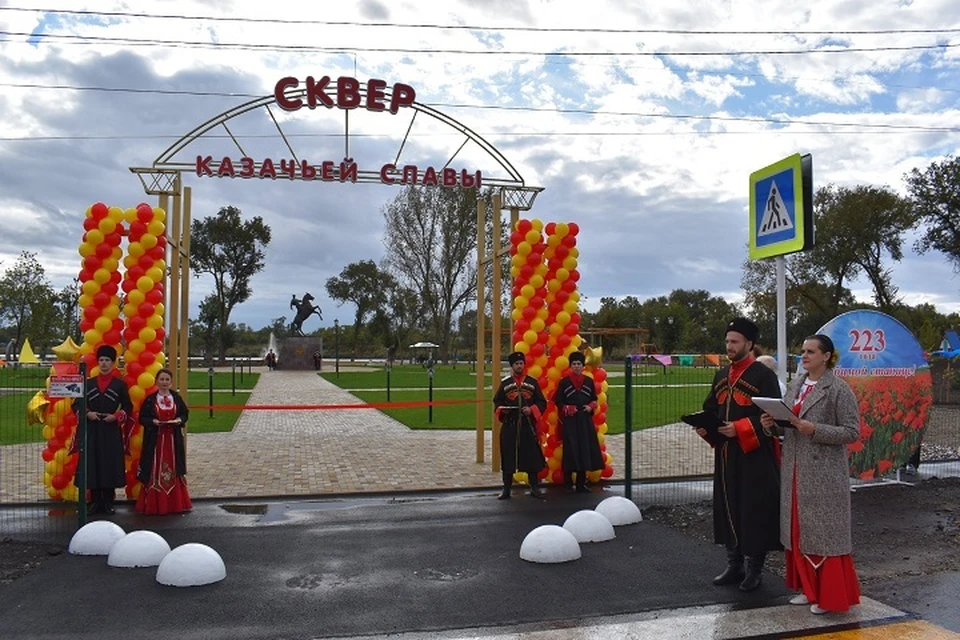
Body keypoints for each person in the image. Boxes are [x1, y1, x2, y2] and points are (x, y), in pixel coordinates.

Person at [761, 334, 861, 615]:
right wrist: (772, 424)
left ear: (826, 356)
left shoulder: (839, 390)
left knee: (822, 534)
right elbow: (788, 426)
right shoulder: (796, 385)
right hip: (794, 470)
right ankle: (808, 588)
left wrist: (815, 429)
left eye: (810, 352)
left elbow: (852, 432)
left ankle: (827, 596)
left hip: (823, 476)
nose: (804, 357)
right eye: (802, 352)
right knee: (798, 530)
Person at [697, 318, 782, 592]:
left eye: (734, 342)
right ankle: (734, 564)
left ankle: (755, 568)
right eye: (727, 341)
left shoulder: (763, 375)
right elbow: (711, 408)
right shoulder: (722, 375)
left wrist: (741, 428)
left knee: (754, 509)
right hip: (725, 455)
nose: (729, 346)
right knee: (727, 506)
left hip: (754, 455)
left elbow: (773, 417)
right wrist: (706, 427)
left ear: (749, 344)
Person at [74, 345, 132, 516]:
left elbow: (128, 406)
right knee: (93, 463)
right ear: (97, 362)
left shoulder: (120, 385)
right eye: (101, 360)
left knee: (109, 464)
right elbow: (76, 404)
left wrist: (116, 417)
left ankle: (107, 501)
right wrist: (88, 413)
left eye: (107, 360)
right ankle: (94, 501)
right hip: (92, 429)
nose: (104, 363)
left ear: (113, 363)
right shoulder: (88, 383)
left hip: (110, 429)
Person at [136, 368, 193, 515]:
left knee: (174, 468)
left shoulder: (177, 398)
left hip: (173, 441)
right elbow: (142, 418)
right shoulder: (150, 400)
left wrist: (179, 420)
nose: (164, 382)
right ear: (156, 381)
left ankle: (175, 503)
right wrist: (153, 421)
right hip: (155, 442)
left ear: (171, 382)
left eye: (167, 380)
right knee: (154, 468)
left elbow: (184, 414)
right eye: (161, 379)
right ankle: (156, 504)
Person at [492, 352, 547, 500]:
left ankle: (534, 487)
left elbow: (542, 402)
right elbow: (497, 402)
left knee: (531, 456)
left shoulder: (532, 383)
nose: (519, 366)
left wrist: (532, 410)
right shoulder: (505, 384)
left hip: (527, 425)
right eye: (516, 364)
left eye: (521, 363)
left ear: (524, 364)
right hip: (510, 425)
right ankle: (506, 489)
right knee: (508, 456)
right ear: (512, 366)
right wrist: (503, 411)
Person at [554, 351, 603, 493]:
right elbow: (558, 401)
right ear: (570, 366)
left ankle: (581, 483)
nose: (576, 366)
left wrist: (591, 406)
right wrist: (567, 408)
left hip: (584, 420)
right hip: (570, 421)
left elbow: (594, 399)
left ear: (583, 366)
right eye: (574, 364)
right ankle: (568, 482)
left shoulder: (588, 382)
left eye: (579, 364)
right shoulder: (564, 382)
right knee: (570, 449)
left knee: (584, 449)